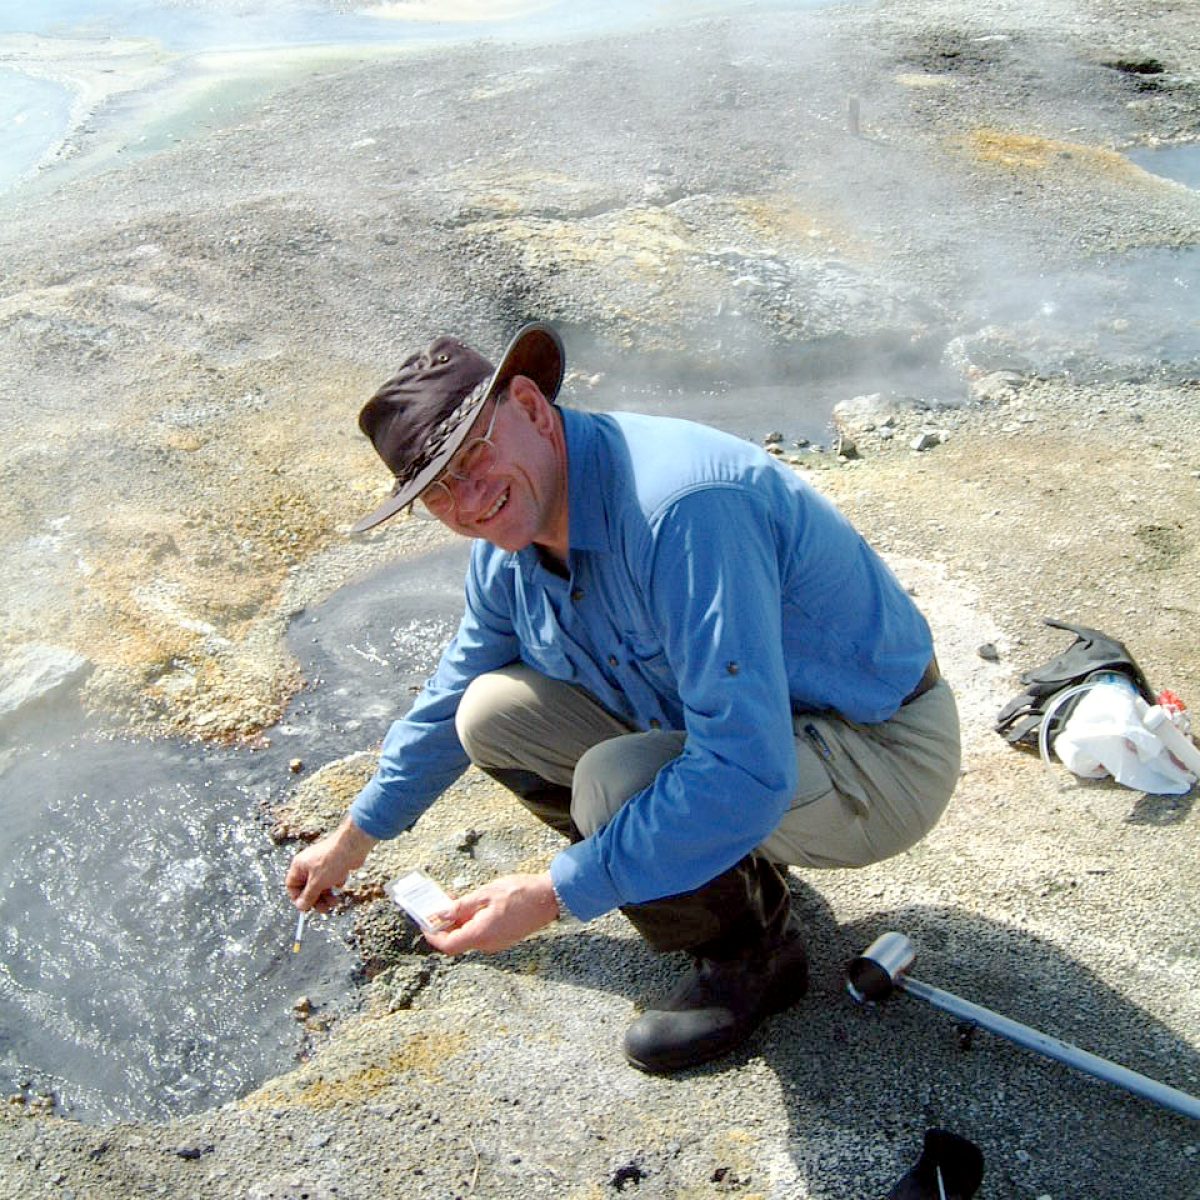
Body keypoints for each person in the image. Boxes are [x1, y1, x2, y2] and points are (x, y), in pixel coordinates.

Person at [286, 322, 961, 1074]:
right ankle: (733, 883)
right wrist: (351, 841)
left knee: (615, 784)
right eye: (436, 490)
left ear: (532, 408)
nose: (467, 500)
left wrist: (552, 893)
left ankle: (753, 963)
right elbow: (447, 701)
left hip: (880, 751)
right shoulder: (512, 548)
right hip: (773, 739)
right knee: (491, 712)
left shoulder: (682, 508)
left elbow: (745, 771)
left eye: (472, 454)